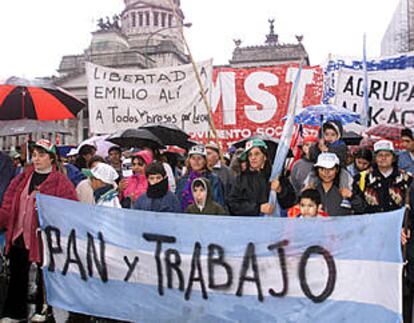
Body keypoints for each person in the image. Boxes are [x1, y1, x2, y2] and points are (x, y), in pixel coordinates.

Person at [0, 139, 77, 322]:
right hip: (19, 233)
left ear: (51, 158)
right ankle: (14, 313)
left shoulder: (61, 182)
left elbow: (71, 209)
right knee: (17, 273)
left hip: (43, 238)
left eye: (41, 155)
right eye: (34, 155)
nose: (36, 159)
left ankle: (44, 309)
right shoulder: (22, 178)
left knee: (45, 274)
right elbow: (9, 203)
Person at [227, 139, 296, 216]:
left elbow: (291, 201)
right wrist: (258, 208)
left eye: (257, 154)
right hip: (248, 225)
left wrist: (280, 190)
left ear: (265, 156)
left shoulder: (277, 176)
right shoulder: (240, 179)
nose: (253, 158)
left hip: (274, 224)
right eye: (250, 155)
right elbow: (233, 204)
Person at [353, 140, 412, 214]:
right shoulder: (362, 178)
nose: (383, 158)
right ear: (375, 158)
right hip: (371, 222)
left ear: (393, 158)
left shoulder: (406, 178)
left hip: (398, 223)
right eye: (380, 155)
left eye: (387, 155)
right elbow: (357, 205)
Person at [176, 145, 225, 210]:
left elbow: (218, 203)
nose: (196, 161)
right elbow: (177, 202)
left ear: (205, 161)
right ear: (189, 161)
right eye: (193, 158)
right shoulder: (183, 180)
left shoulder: (214, 179)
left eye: (199, 158)